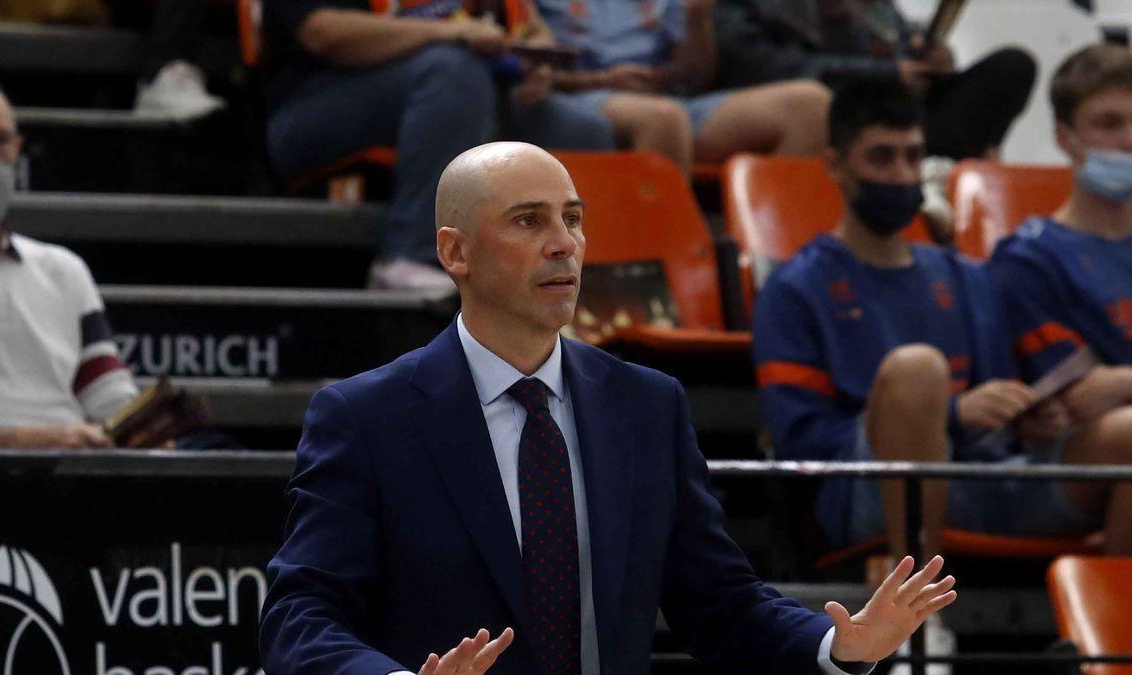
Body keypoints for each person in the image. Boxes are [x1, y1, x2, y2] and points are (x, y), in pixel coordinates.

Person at [259, 141, 958, 675]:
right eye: (528, 221)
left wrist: (838, 642)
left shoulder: (645, 405)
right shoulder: (366, 414)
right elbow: (298, 614)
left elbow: (718, 601)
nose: (563, 242)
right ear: (456, 251)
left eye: (572, 218)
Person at [752, 77, 1132, 570]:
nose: (900, 175)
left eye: (914, 157)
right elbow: (803, 449)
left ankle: (1124, 634)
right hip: (867, 490)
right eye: (881, 158)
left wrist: (1029, 418)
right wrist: (949, 416)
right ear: (835, 165)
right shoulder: (794, 288)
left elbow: (1004, 406)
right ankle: (915, 611)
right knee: (918, 371)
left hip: (990, 475)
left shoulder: (968, 276)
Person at [987, 45, 1132, 483]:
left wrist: (1129, 383)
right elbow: (1084, 410)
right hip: (1099, 466)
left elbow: (1117, 394)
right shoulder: (1028, 261)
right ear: (1066, 138)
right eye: (1109, 124)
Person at [262, 0, 508, 293]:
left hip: (425, 86)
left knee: (532, 107)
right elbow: (324, 33)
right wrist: (446, 31)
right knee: (454, 72)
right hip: (308, 107)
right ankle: (410, 255)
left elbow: (509, 28)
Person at [504, 0, 832, 176]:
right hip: (575, 94)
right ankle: (665, 265)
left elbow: (696, 79)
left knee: (813, 105)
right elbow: (532, 61)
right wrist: (601, 81)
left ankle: (769, 252)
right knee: (664, 119)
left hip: (664, 98)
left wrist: (697, 19)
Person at [712, 0, 1035, 161]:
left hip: (905, 109)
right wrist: (888, 74)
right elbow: (768, 70)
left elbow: (901, 41)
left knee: (1012, 67)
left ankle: (941, 171)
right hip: (837, 114)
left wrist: (930, 58)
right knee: (812, 101)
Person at [0, 85, 138, 449]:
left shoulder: (62, 269)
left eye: (1, 140)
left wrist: (141, 429)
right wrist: (31, 440)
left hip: (70, 480)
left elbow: (109, 396)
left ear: (18, 149)